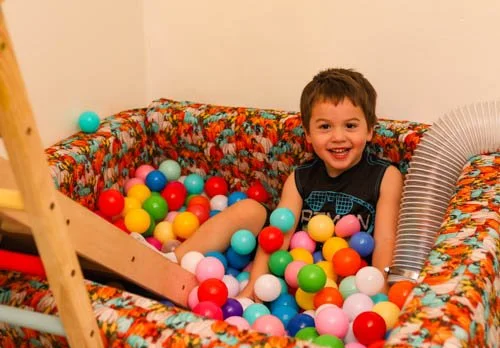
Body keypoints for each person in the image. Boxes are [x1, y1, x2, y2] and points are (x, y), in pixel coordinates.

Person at [165, 68, 403, 300]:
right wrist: (255, 288)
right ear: (308, 134)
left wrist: (380, 293)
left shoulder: (385, 176)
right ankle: (170, 262)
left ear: (370, 129)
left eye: (350, 126)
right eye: (325, 127)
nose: (338, 137)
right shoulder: (300, 177)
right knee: (250, 209)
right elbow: (280, 234)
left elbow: (385, 240)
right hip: (292, 272)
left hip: (348, 282)